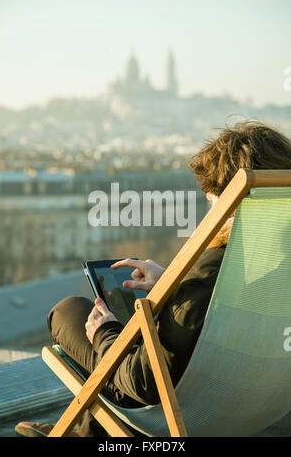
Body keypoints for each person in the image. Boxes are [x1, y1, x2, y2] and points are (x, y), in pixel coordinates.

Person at [15, 120, 291, 437]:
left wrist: (104, 332)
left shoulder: (216, 267)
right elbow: (222, 317)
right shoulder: (274, 262)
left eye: (212, 198)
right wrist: (174, 285)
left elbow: (142, 382)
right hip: (254, 406)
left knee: (69, 311)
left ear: (232, 201)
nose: (208, 206)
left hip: (181, 414)